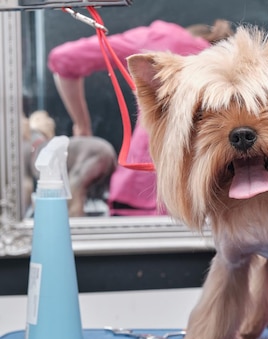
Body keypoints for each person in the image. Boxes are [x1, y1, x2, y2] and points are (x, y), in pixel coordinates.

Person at [48, 19, 232, 216]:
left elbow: (62, 59)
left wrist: (82, 126)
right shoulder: (229, 65)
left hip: (139, 192)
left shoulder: (160, 38)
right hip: (209, 196)